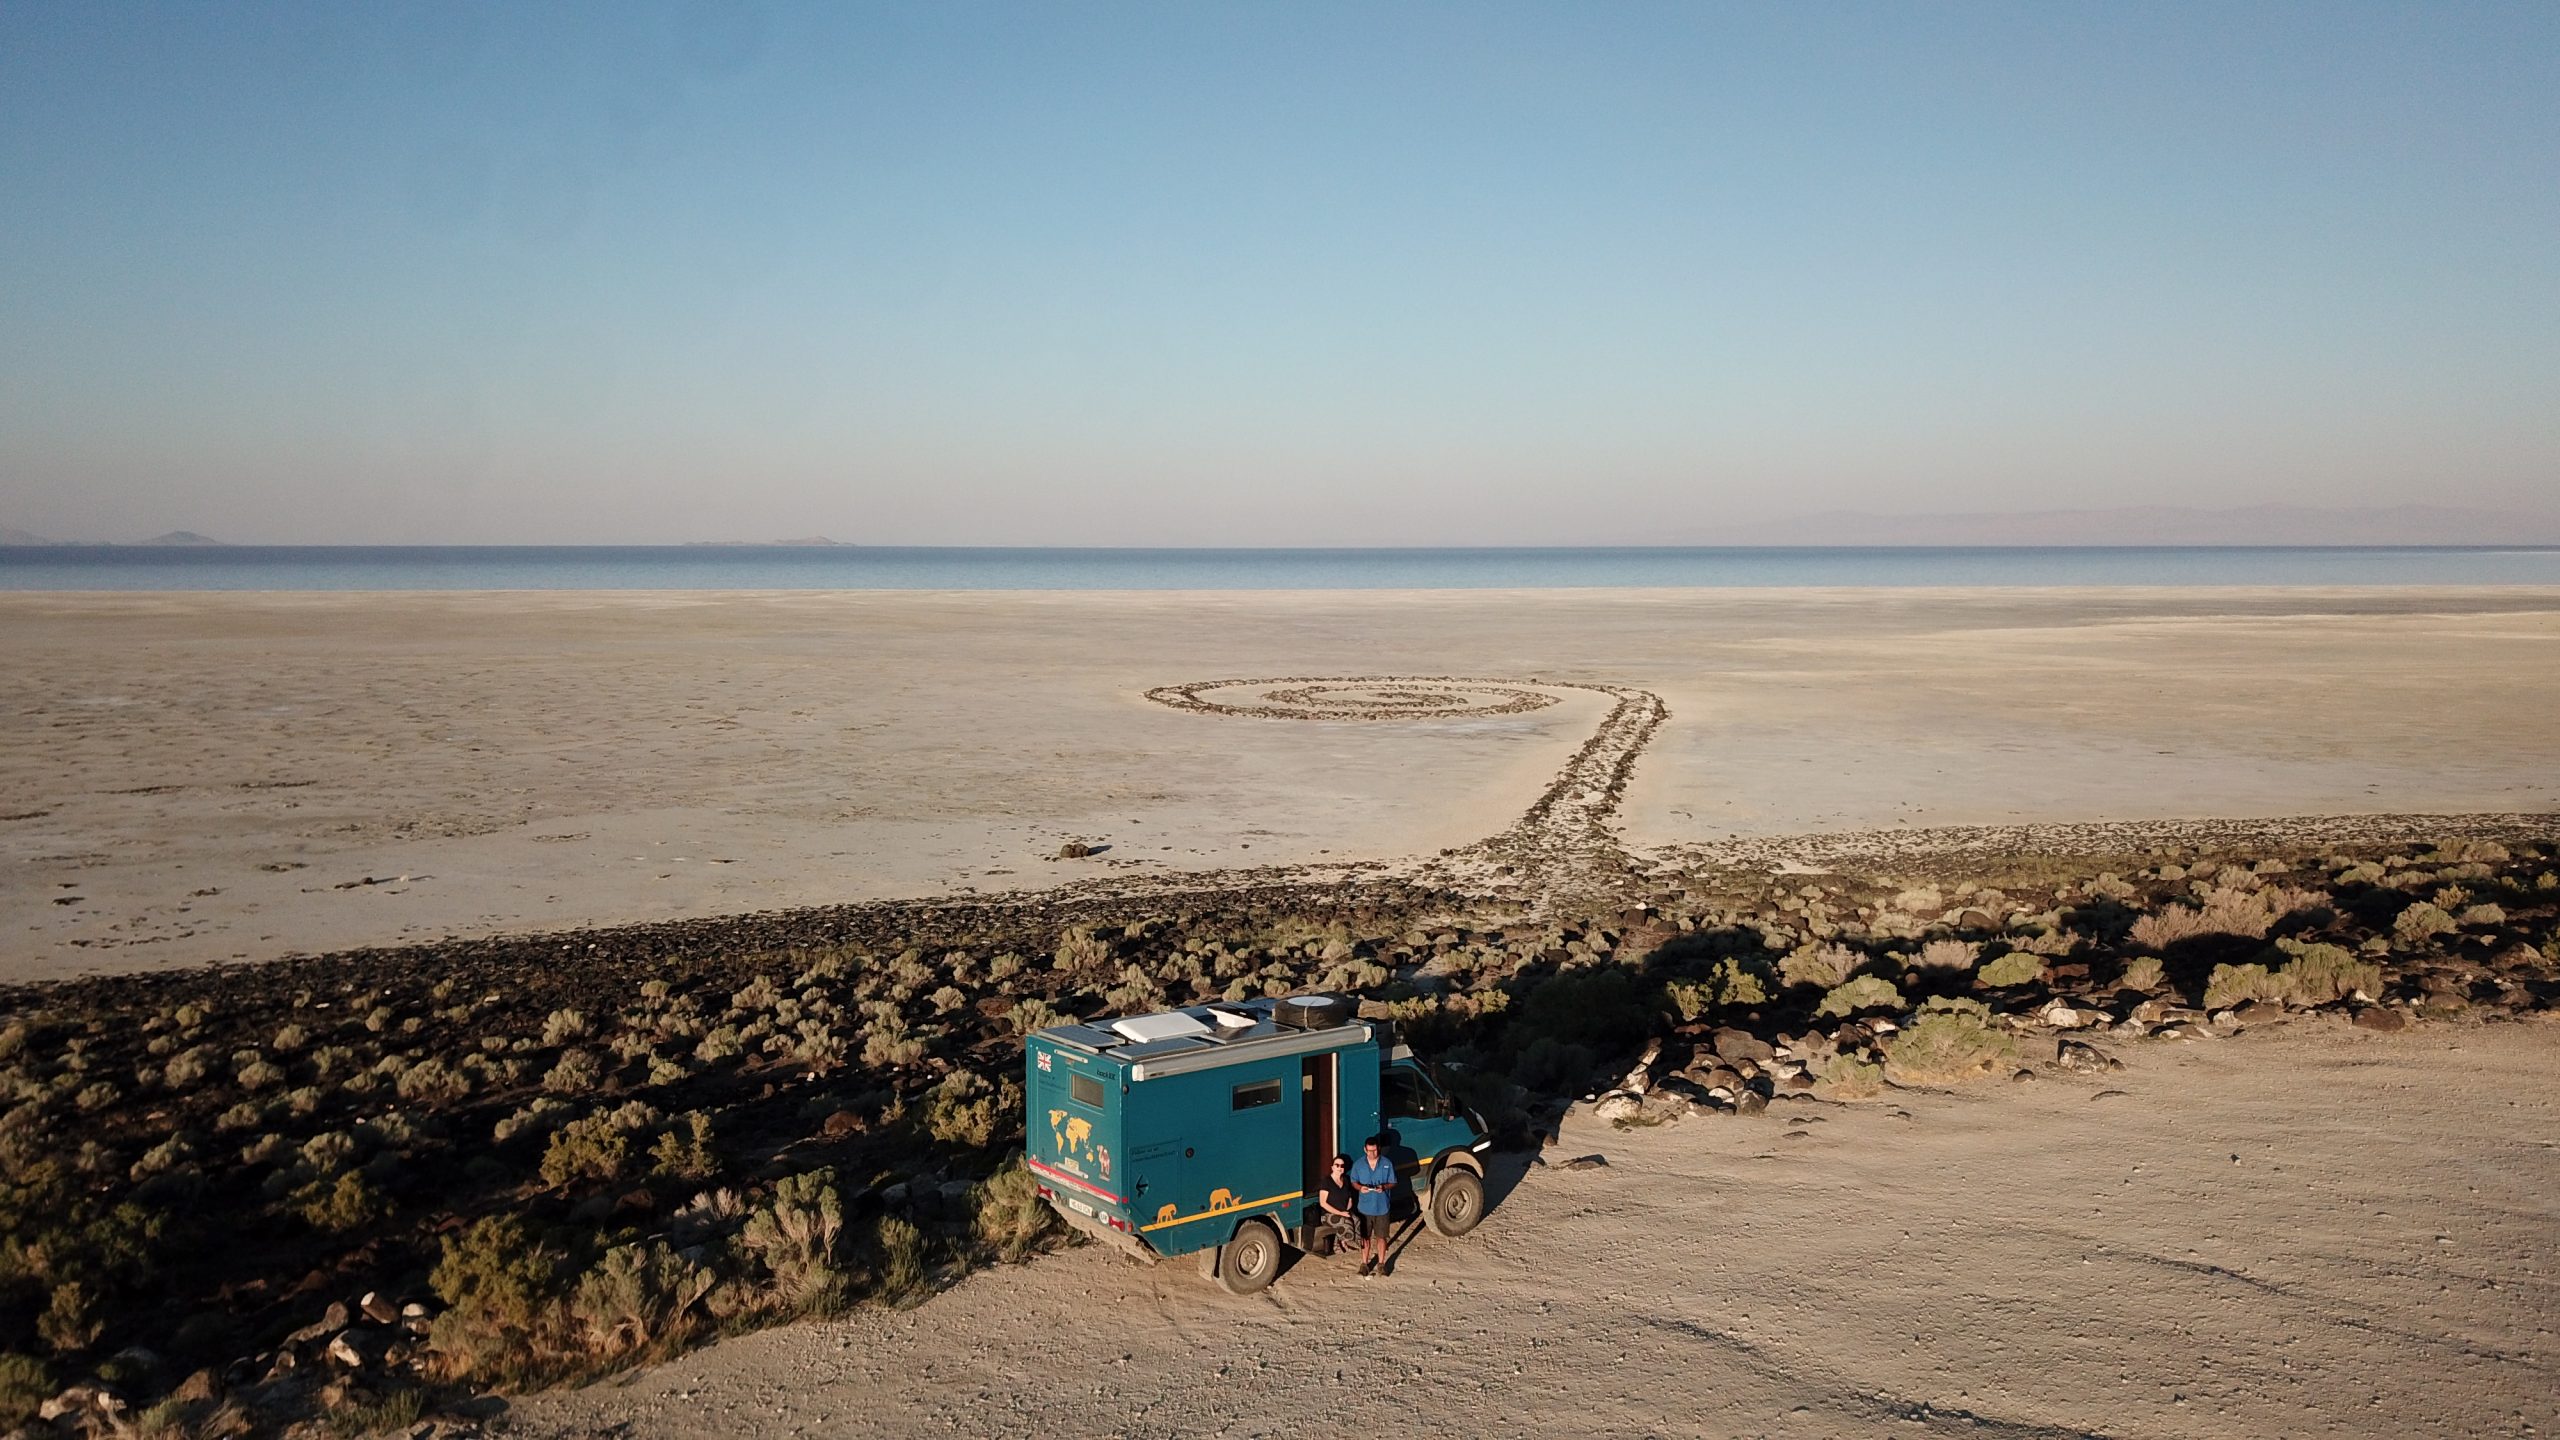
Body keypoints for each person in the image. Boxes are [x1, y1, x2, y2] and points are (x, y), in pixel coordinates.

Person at [1349, 1136, 1397, 1277]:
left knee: (1382, 1237)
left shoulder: (1387, 1163)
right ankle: (1364, 1264)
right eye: (1369, 1151)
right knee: (1365, 1237)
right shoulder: (1358, 1165)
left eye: (1374, 1150)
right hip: (1364, 1209)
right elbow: (1353, 1181)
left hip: (1382, 1207)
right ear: (1365, 1149)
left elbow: (1393, 1182)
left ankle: (1381, 1264)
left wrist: (1384, 1187)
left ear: (1379, 1149)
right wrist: (1359, 1188)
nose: (1372, 1153)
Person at [1315, 1153, 1361, 1257]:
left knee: (1357, 1220)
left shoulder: (1346, 1180)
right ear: (1332, 1167)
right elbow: (1323, 1203)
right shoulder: (1326, 1182)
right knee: (1346, 1223)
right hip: (1328, 1214)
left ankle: (1351, 1243)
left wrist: (1347, 1210)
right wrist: (1340, 1213)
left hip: (1343, 1211)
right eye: (1337, 1165)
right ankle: (1338, 1244)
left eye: (1342, 1166)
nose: (1340, 1168)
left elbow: (1350, 1198)